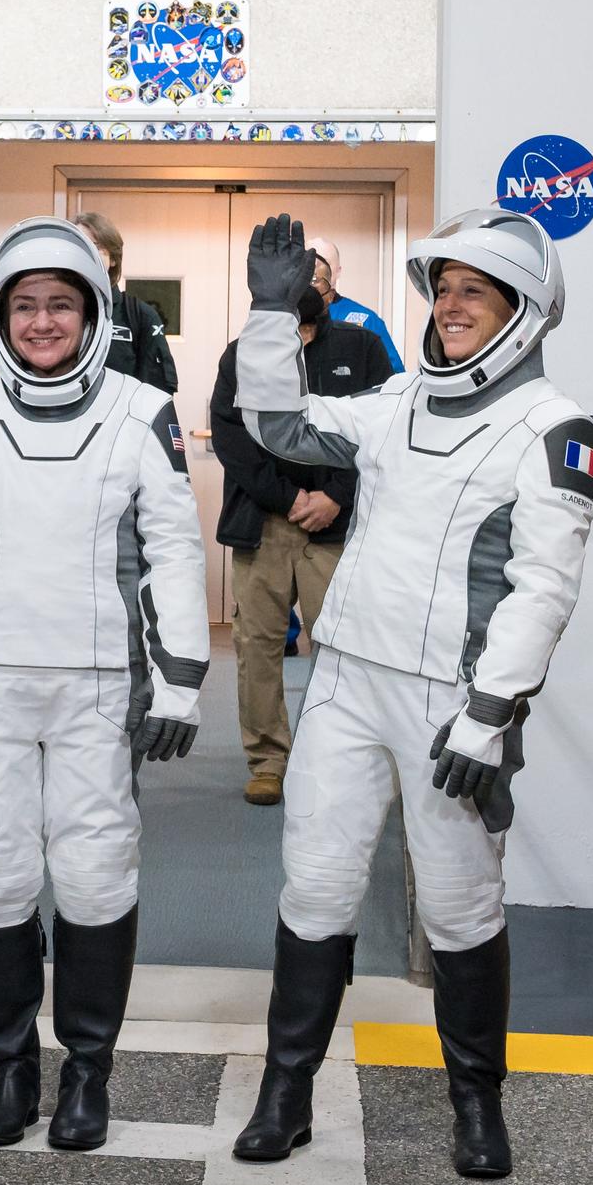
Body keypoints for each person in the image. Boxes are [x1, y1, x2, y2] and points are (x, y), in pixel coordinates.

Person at [229, 210, 593, 1180]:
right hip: (347, 679)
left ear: (525, 311)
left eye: (474, 290)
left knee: (461, 906)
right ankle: (287, 1090)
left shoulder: (554, 430)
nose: (450, 306)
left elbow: (543, 588)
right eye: (443, 288)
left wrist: (492, 712)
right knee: (314, 883)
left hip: (452, 705)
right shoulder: (396, 402)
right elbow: (278, 424)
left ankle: (478, 1105)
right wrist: (272, 315)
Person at [0, 217, 209, 1153]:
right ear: (1, 316)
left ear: (94, 311)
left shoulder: (142, 410)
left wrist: (180, 678)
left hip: (101, 679)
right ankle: (12, 1066)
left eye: (63, 302)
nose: (44, 321)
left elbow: (175, 545)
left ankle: (88, 1071)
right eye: (26, 305)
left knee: (96, 872)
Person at [210, 283, 391, 806]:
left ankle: (337, 761)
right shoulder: (243, 354)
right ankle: (268, 761)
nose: (299, 340)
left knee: (341, 651)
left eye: (307, 332)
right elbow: (231, 437)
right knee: (257, 646)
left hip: (336, 526)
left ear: (321, 320)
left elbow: (381, 430)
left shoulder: (363, 349)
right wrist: (289, 498)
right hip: (264, 520)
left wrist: (336, 495)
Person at [74, 211, 179, 393]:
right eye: (79, 246)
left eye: (95, 246)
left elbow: (157, 390)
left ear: (113, 258)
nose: (86, 254)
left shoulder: (140, 315)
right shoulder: (51, 313)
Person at [308, 236, 404, 373]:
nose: (316, 270)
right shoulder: (285, 318)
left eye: (325, 262)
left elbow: (394, 379)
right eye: (310, 262)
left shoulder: (367, 320)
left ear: (338, 270)